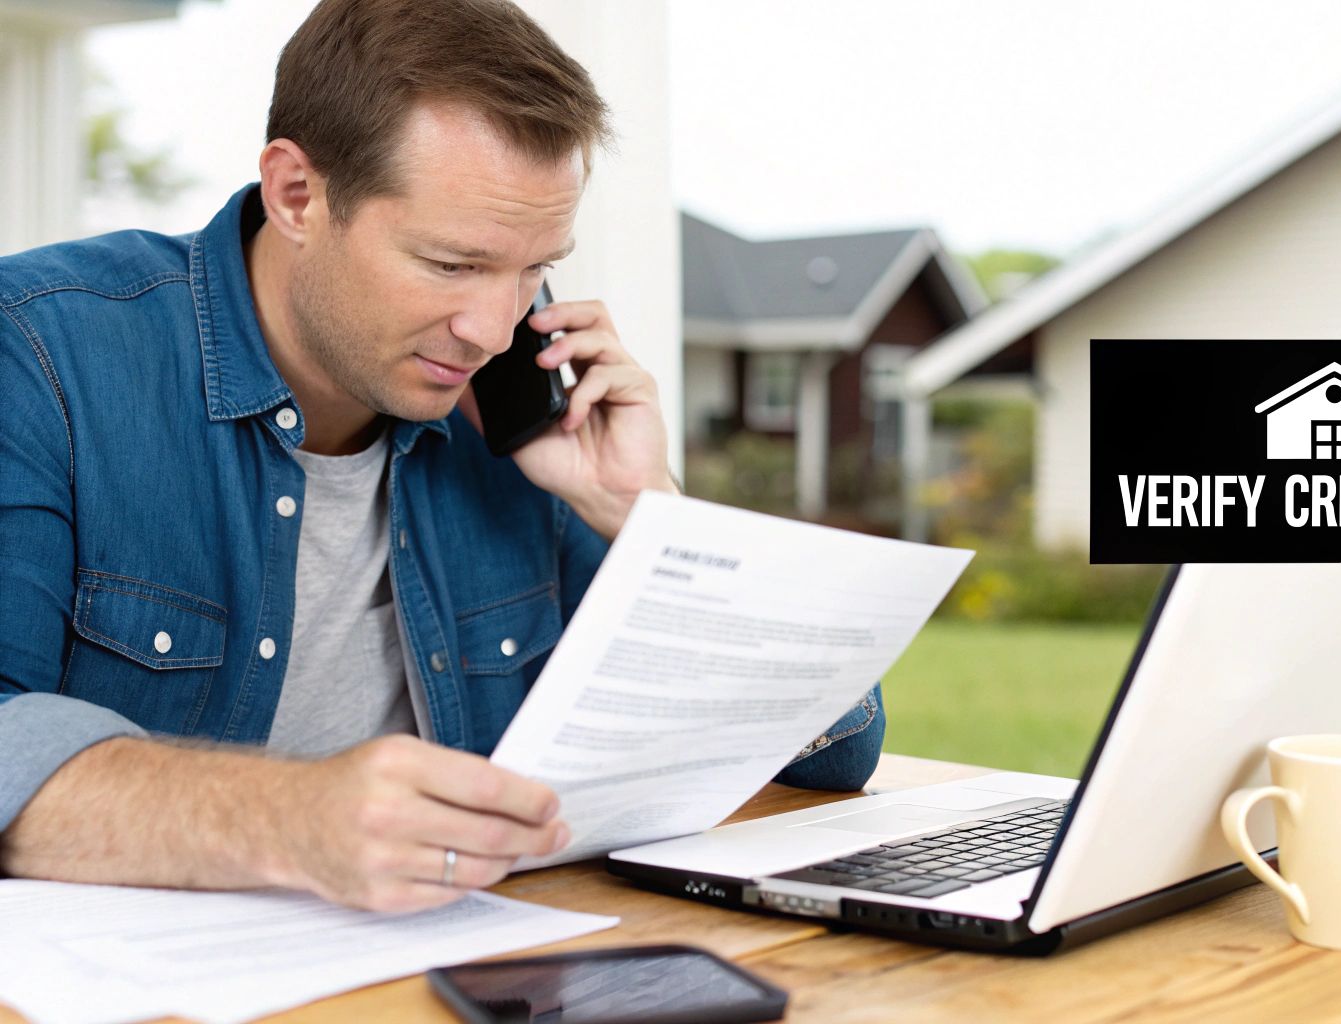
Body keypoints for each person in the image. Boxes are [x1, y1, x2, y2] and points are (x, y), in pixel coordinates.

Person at [0, 0, 883, 913]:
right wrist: (294, 819)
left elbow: (834, 755)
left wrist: (649, 514)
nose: (493, 329)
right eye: (453, 264)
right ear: (297, 193)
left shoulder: (529, 422)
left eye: (535, 268)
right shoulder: (36, 357)